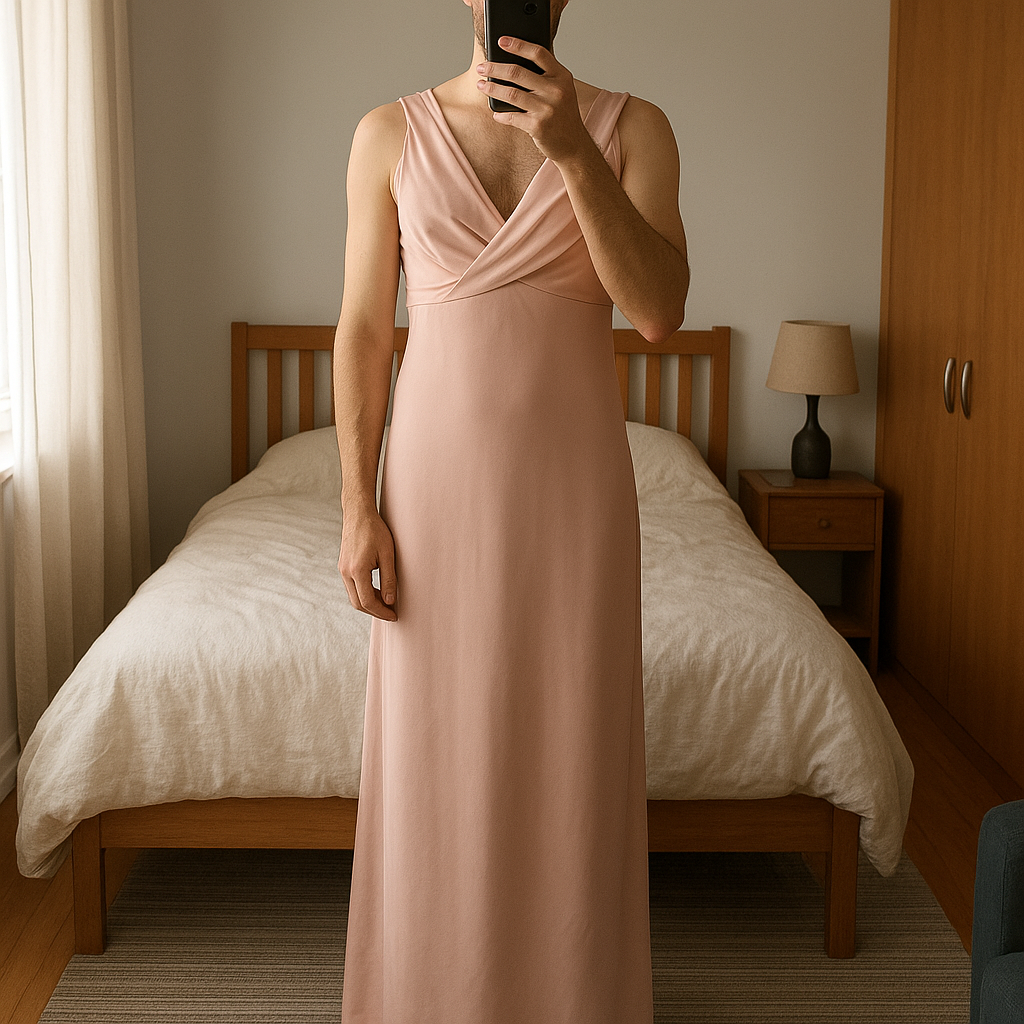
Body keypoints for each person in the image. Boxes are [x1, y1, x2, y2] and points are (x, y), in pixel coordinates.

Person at [333, 1, 688, 1020]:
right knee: (435, 752)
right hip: (432, 497)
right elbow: (363, 331)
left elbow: (659, 312)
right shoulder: (388, 134)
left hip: (573, 500)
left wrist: (573, 149)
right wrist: (358, 507)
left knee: (569, 750)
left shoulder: (634, 128)